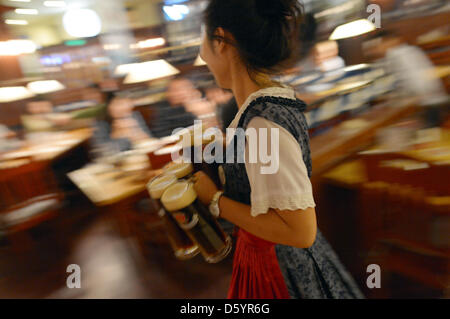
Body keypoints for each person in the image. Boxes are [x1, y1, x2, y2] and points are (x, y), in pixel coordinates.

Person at [192, 0, 364, 299]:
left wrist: (214, 200)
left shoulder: (261, 122)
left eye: (203, 42)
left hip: (280, 271)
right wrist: (226, 150)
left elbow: (300, 232)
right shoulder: (268, 101)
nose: (201, 54)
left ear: (220, 41)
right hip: (274, 259)